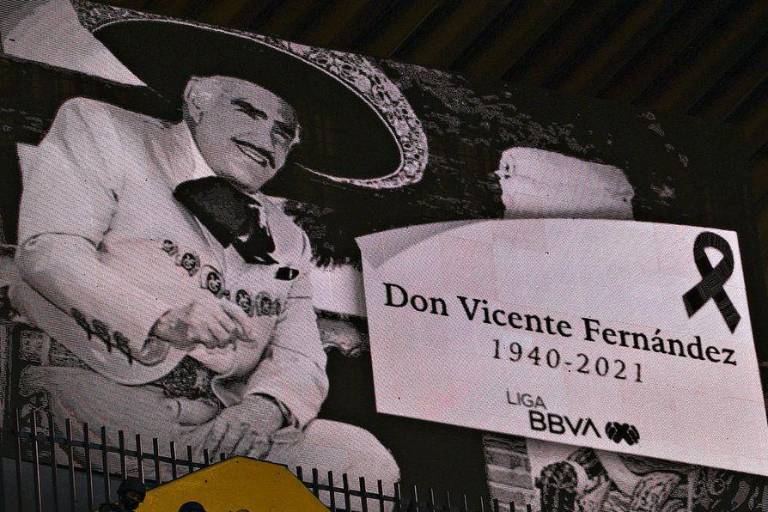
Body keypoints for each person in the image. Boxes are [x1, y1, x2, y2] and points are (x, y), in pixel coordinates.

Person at [10, 15, 409, 501]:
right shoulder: (104, 129)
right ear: (197, 100)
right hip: (91, 391)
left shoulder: (289, 238)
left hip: (220, 422)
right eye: (249, 113)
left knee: (362, 463)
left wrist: (264, 407)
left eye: (284, 132)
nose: (267, 141)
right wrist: (162, 319)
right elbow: (49, 251)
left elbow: (300, 355)